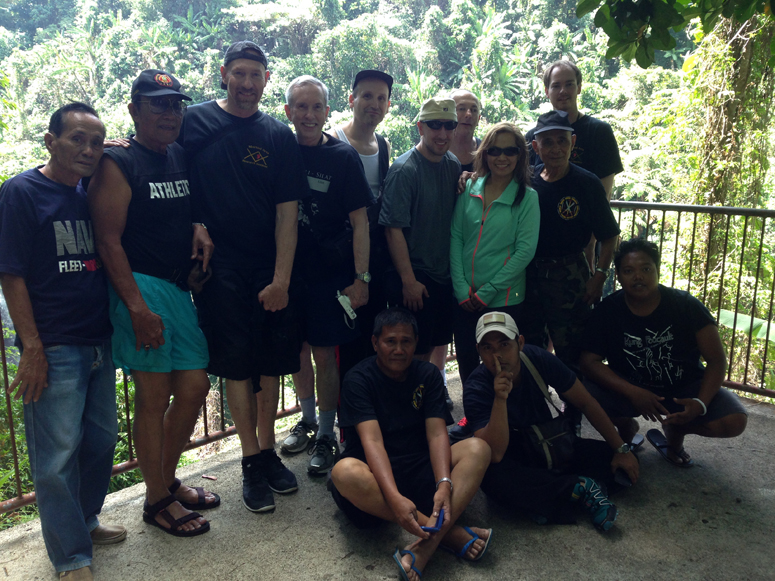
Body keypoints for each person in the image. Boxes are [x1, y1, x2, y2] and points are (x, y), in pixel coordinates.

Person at [178, 41, 308, 513]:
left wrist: (281, 280)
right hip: (219, 269)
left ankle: (269, 450)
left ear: (267, 80)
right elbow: (160, 163)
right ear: (223, 74)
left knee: (271, 363)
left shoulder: (277, 134)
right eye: (239, 74)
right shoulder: (193, 122)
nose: (248, 84)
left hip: (267, 267)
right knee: (236, 363)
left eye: (256, 75)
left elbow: (287, 214)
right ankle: (250, 460)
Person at [88, 70, 218, 538]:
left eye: (176, 105)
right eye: (158, 104)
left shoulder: (176, 154)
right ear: (134, 109)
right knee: (153, 395)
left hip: (176, 290)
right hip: (139, 290)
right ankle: (157, 498)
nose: (170, 113)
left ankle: (162, 481)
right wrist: (138, 309)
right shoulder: (118, 163)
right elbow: (108, 239)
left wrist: (198, 226)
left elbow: (182, 211)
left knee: (194, 386)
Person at [0, 103, 124, 580]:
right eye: (77, 139)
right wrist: (31, 346)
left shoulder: (90, 192)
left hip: (98, 339)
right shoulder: (21, 191)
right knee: (54, 460)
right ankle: (70, 556)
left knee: (99, 443)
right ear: (50, 140)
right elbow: (10, 274)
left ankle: (85, 521)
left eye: (96, 141)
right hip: (53, 346)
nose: (88, 149)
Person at [330, 307, 493, 581]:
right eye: (390, 341)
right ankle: (445, 532)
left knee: (479, 449)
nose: (398, 349)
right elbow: (373, 441)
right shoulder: (358, 378)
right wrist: (394, 499)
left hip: (419, 468)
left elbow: (437, 434)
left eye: (406, 341)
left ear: (416, 343)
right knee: (342, 472)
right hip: (375, 478)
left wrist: (443, 482)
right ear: (375, 343)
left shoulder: (427, 374)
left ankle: (423, 550)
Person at [463, 311, 639, 530]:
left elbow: (586, 402)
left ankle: (548, 499)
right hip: (515, 455)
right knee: (491, 478)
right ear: (479, 351)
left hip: (552, 444)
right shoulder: (476, 387)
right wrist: (500, 399)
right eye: (487, 348)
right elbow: (496, 452)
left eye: (504, 344)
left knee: (622, 466)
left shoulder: (537, 359)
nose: (496, 355)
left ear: (520, 343)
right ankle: (580, 488)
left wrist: (621, 449)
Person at [579, 238, 748, 466]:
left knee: (735, 420)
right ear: (618, 276)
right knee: (581, 392)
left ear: (658, 270)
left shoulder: (686, 305)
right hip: (629, 388)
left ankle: (676, 429)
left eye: (646, 269)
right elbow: (589, 362)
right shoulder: (607, 311)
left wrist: (700, 404)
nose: (638, 276)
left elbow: (716, 361)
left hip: (684, 388)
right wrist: (632, 392)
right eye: (629, 271)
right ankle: (624, 427)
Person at [281, 75, 372, 474]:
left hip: (328, 275)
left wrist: (361, 278)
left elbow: (361, 222)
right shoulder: (277, 151)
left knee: (324, 355)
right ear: (288, 111)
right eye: (301, 106)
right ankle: (307, 419)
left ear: (327, 111)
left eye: (316, 106)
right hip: (287, 274)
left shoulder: (342, 157)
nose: (309, 114)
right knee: (297, 351)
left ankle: (327, 433)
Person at [519, 110, 620, 371]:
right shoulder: (527, 181)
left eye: (562, 141)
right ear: (535, 147)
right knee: (529, 347)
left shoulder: (586, 183)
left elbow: (610, 236)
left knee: (572, 348)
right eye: (548, 142)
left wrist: (599, 276)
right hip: (529, 275)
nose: (556, 149)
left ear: (572, 143)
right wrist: (467, 176)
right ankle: (536, 407)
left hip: (571, 275)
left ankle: (573, 409)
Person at [379, 97, 461, 363]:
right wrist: (408, 280)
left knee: (438, 342)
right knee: (415, 351)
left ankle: (432, 396)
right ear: (420, 128)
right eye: (434, 125)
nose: (442, 133)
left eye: (449, 126)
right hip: (416, 275)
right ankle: (410, 403)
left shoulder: (452, 164)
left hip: (444, 274)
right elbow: (393, 230)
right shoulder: (405, 170)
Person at [330, 69, 393, 409]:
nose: (374, 104)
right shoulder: (333, 139)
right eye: (367, 96)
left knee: (372, 335)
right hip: (340, 260)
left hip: (373, 258)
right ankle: (343, 421)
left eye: (381, 98)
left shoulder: (383, 145)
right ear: (351, 99)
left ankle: (370, 409)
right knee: (344, 343)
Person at [526, 59, 624, 274]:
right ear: (546, 91)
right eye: (556, 85)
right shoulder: (534, 135)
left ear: (579, 87)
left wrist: (590, 243)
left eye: (569, 84)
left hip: (583, 240)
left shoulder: (598, 132)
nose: (563, 91)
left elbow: (604, 193)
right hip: (538, 250)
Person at [448, 89, 482, 172]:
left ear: (478, 118)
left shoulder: (485, 151)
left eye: (474, 110)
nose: (468, 114)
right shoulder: (436, 151)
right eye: (461, 109)